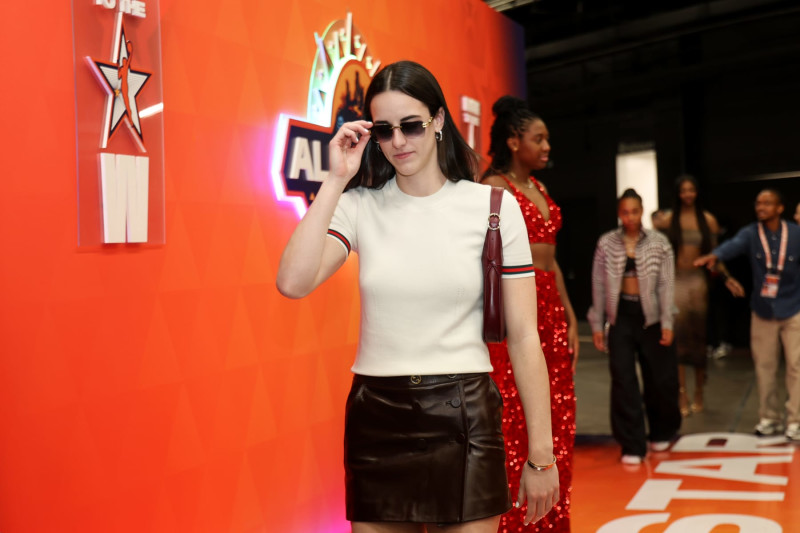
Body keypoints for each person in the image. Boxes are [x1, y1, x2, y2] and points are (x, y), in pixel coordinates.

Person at [276, 61, 559, 532]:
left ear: (440, 121)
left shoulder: (491, 207)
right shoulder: (359, 205)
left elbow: (525, 336)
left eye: (412, 125)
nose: (399, 142)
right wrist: (334, 179)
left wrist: (542, 455)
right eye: (384, 131)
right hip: (377, 417)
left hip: (465, 414)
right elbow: (293, 282)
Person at [480, 96, 576, 533]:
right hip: (514, 313)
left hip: (551, 311)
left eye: (548, 138)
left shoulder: (541, 188)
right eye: (539, 138)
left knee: (558, 421)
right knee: (516, 423)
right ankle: (516, 525)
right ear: (514, 141)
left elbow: (551, 262)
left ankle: (551, 521)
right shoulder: (490, 187)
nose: (547, 146)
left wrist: (571, 316)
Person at [695, 189, 800, 440]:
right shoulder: (751, 233)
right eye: (758, 203)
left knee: (797, 366)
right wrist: (715, 255)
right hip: (762, 310)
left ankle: (795, 420)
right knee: (765, 367)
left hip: (793, 308)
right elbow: (730, 247)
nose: (760, 207)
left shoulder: (795, 233)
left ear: (779, 208)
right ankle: (769, 417)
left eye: (767, 203)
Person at [588, 188, 681, 464]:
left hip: (651, 317)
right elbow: (598, 284)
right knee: (623, 380)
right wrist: (597, 323)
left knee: (660, 379)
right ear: (619, 213)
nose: (630, 217)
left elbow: (666, 284)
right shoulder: (606, 243)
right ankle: (632, 444)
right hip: (621, 318)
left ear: (642, 211)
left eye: (635, 211)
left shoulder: (659, 242)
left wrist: (667, 321)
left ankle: (661, 431)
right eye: (625, 212)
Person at [655, 176, 744, 416]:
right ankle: (681, 393)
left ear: (697, 192)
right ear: (677, 193)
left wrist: (727, 279)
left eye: (691, 190)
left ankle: (699, 392)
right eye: (683, 190)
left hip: (698, 283)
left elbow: (716, 258)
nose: (687, 194)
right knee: (679, 340)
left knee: (698, 339)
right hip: (675, 281)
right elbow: (655, 254)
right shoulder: (666, 221)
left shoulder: (708, 221)